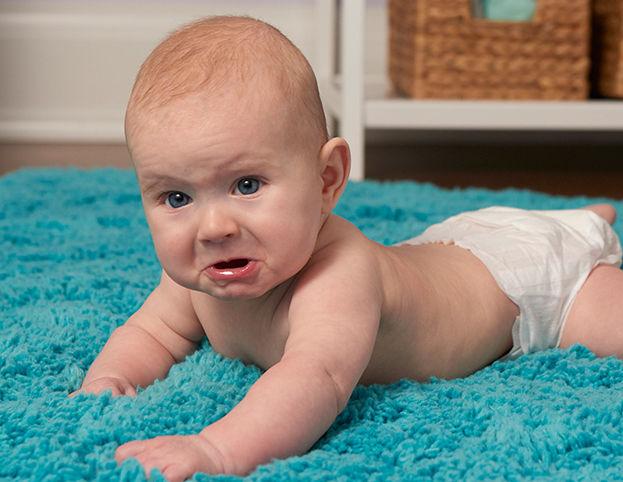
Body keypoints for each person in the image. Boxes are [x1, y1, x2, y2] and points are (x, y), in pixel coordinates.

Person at [69, 15, 623, 481]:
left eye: (246, 186)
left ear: (328, 180)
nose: (213, 227)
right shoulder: (198, 278)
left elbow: (316, 378)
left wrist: (216, 449)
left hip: (523, 285)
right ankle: (580, 217)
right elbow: (150, 332)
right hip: (451, 248)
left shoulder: (336, 276)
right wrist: (110, 378)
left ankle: (580, 232)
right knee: (433, 258)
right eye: (176, 197)